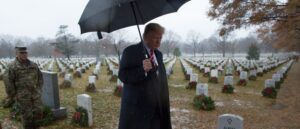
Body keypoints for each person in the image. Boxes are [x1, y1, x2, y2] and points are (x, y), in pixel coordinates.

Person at [118, 23, 172, 129]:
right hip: (137, 113)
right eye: (155, 38)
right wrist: (142, 70)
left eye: (160, 38)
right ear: (146, 36)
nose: (158, 42)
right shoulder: (130, 52)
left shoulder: (158, 55)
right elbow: (123, 76)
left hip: (157, 111)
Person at [3, 46, 44, 129]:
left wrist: (39, 89)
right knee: (27, 116)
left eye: (25, 53)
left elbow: (40, 78)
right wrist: (14, 95)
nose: (24, 54)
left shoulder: (33, 65)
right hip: (22, 96)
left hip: (35, 94)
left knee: (39, 112)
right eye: (21, 53)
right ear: (17, 54)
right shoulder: (12, 66)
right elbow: (8, 82)